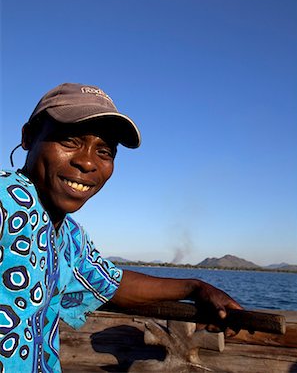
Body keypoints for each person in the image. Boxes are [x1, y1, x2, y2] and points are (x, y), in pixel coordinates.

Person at [0, 83, 242, 372]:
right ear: (28, 137)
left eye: (104, 152)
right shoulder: (5, 200)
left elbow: (113, 283)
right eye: (69, 141)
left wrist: (196, 287)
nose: (87, 161)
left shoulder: (70, 236)